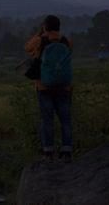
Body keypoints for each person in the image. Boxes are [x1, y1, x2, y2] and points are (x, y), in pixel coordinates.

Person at [25, 14, 73, 162]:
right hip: (64, 86)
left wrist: (40, 33)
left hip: (44, 86)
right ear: (59, 27)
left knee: (47, 120)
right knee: (65, 120)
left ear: (45, 26)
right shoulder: (66, 41)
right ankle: (66, 151)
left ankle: (48, 152)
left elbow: (27, 48)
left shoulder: (40, 41)